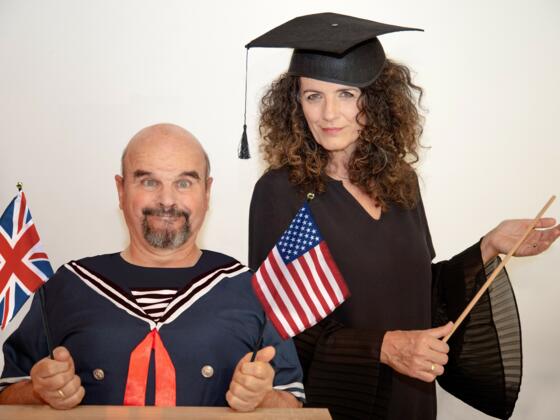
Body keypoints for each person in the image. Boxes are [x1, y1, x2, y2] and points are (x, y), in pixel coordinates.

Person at [246, 13, 560, 420]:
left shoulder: (400, 182)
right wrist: (385, 347)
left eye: (347, 94)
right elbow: (280, 325)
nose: (328, 114)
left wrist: (488, 247)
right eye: (313, 96)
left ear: (375, 100)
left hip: (410, 400)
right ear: (295, 103)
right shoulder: (280, 192)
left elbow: (418, 295)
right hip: (338, 403)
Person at [0, 123, 304, 410]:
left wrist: (261, 397)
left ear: (207, 192)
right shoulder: (67, 286)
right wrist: (39, 391)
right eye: (148, 182)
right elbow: (7, 394)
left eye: (184, 183)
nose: (167, 200)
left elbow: (293, 402)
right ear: (121, 190)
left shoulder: (253, 289)